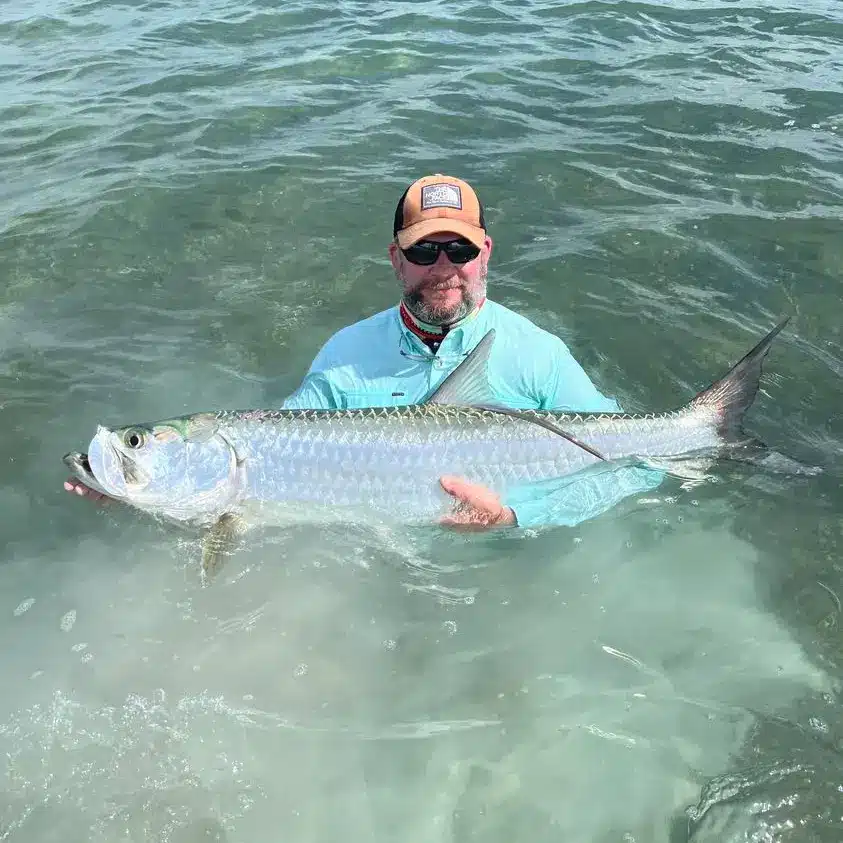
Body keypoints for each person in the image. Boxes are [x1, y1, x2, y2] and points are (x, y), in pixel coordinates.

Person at [65, 173, 662, 527]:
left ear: (486, 252)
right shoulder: (347, 354)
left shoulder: (538, 355)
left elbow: (631, 470)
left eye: (459, 249)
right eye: (425, 252)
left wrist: (514, 519)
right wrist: (142, 489)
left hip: (514, 579)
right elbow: (268, 462)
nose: (444, 268)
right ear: (396, 259)